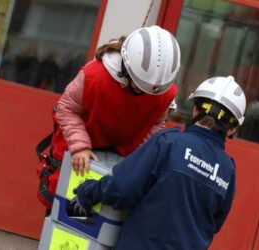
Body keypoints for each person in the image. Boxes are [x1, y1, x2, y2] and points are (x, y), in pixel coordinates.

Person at [69, 76, 246, 249]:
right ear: (232, 129)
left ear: (195, 110)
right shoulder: (228, 170)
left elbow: (123, 187)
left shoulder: (169, 142)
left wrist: (88, 192)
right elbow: (214, 224)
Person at [36, 25, 181, 209]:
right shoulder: (94, 75)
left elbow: (156, 126)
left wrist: (137, 159)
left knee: (107, 210)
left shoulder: (164, 92)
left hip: (124, 152)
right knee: (68, 206)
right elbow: (66, 108)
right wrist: (80, 146)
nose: (143, 93)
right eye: (138, 84)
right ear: (127, 68)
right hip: (83, 140)